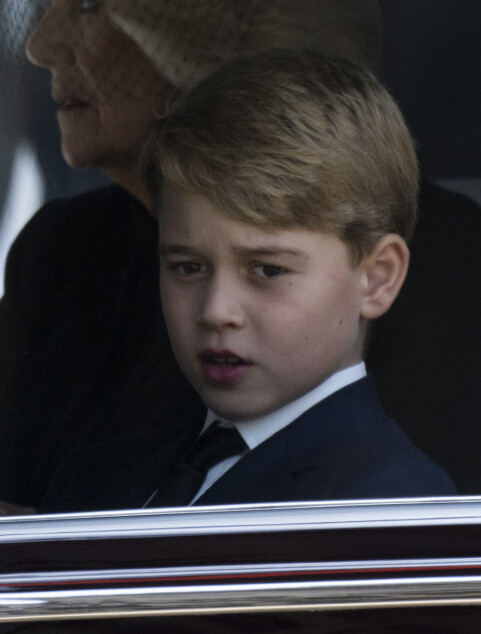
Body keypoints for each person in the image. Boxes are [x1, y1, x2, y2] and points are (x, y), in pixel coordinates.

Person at [0, 0, 385, 511]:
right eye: (185, 267)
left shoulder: (390, 254)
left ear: (211, 43)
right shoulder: (62, 248)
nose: (39, 46)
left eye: (89, 9)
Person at [40, 50, 455, 512]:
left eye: (268, 270)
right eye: (188, 266)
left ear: (376, 279)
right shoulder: (97, 477)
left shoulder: (391, 507)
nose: (216, 310)